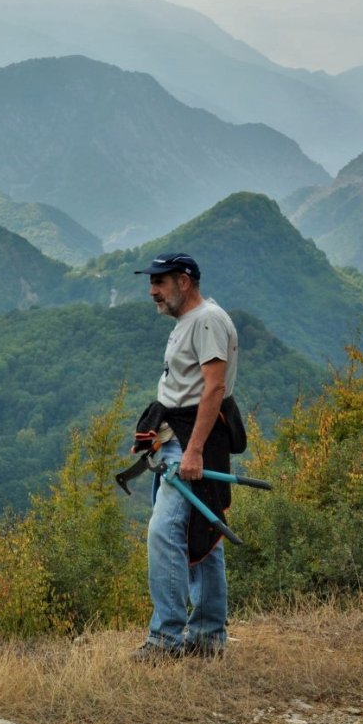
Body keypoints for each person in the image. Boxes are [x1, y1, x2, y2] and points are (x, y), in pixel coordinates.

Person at [131, 252, 240, 662]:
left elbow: (212, 389)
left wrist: (192, 450)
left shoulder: (206, 321)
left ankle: (165, 641)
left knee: (164, 532)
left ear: (184, 281)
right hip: (178, 434)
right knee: (205, 535)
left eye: (159, 282)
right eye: (152, 282)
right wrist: (155, 436)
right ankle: (209, 636)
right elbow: (182, 388)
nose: (152, 291)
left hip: (194, 439)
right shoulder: (190, 322)